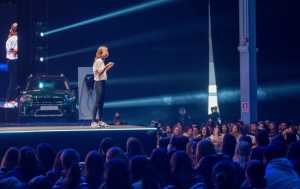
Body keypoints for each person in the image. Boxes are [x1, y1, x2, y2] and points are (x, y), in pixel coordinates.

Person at [91, 46, 114, 128]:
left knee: (101, 103)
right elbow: (99, 73)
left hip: (102, 82)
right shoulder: (99, 61)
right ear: (102, 52)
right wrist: (106, 66)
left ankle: (100, 121)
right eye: (106, 50)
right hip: (99, 83)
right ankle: (93, 121)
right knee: (98, 102)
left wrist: (108, 67)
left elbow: (102, 73)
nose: (107, 52)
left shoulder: (101, 61)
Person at [4, 22, 18, 108]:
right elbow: (11, 51)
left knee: (14, 81)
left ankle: (13, 99)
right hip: (12, 61)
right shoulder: (12, 39)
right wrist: (16, 51)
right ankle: (8, 100)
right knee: (12, 81)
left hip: (13, 61)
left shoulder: (14, 38)